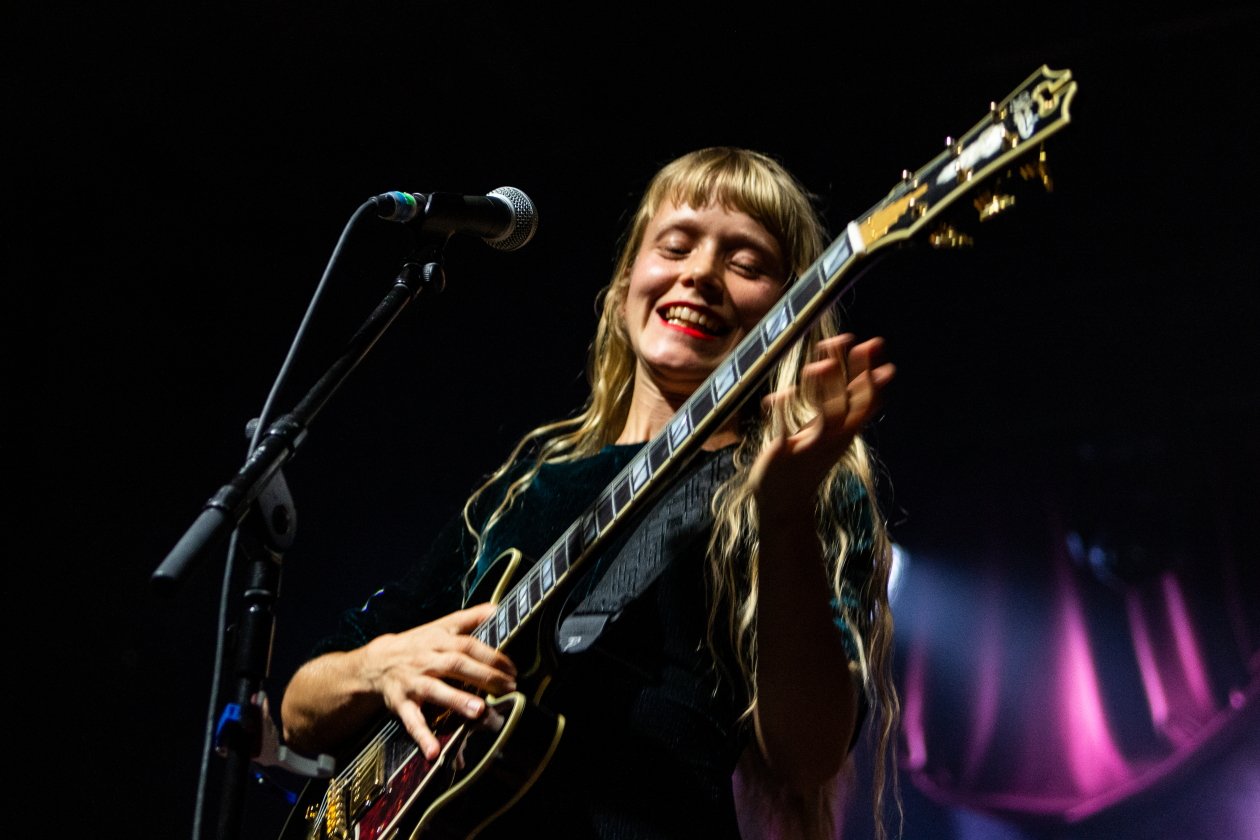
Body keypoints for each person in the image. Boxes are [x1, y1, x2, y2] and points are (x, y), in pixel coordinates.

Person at [279, 147, 900, 840]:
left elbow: (809, 753)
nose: (700, 274)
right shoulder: (526, 491)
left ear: (791, 309)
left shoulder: (793, 485)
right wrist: (379, 664)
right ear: (629, 275)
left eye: (746, 263)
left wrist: (783, 513)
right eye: (675, 245)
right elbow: (300, 708)